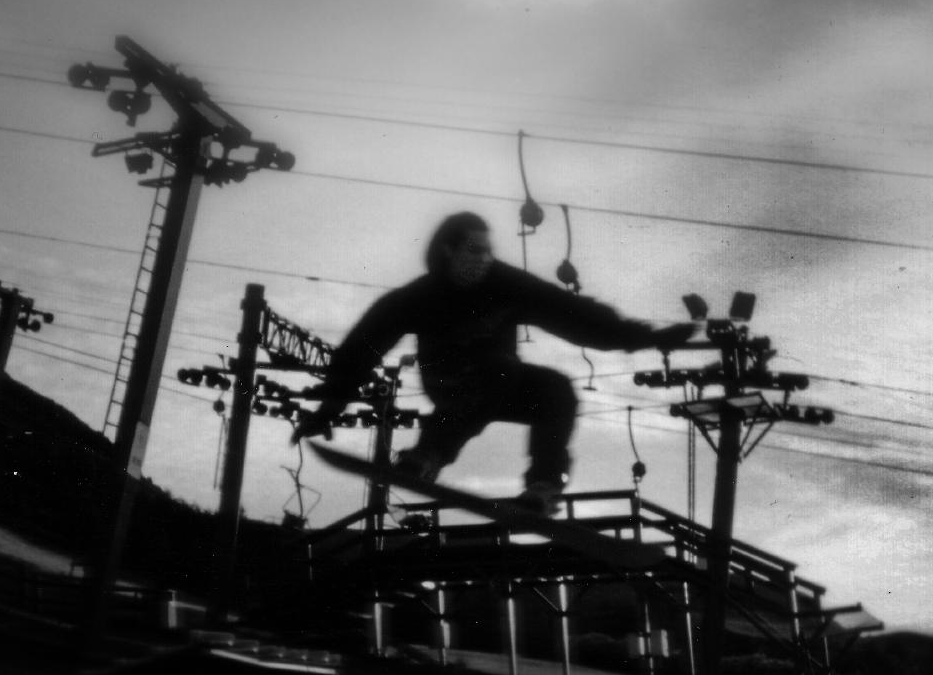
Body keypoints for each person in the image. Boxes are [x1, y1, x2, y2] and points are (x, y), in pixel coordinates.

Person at [289, 211, 696, 514]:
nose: (484, 260)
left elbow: (575, 316)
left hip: (502, 381)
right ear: (448, 251)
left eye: (488, 252)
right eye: (474, 251)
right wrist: (330, 407)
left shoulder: (506, 284)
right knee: (497, 370)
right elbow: (363, 347)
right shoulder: (418, 297)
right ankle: (429, 454)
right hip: (450, 384)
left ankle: (543, 486)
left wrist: (649, 337)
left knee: (555, 389)